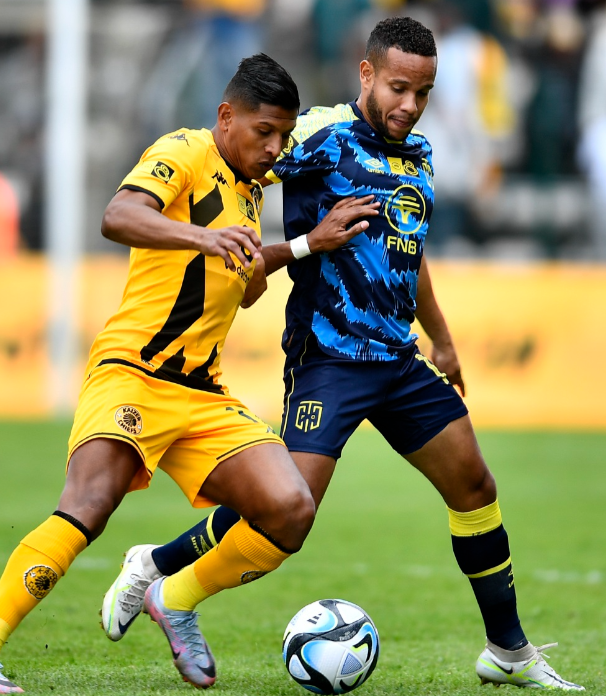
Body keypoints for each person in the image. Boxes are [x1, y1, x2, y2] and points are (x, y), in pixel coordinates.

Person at [100, 18, 584, 692]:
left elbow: (408, 255)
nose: (408, 105)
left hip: (397, 360)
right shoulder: (316, 135)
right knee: (285, 513)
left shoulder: (419, 155)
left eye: (422, 92)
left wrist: (439, 339)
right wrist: (242, 249)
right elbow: (240, 155)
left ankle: (507, 652)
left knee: (474, 486)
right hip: (326, 358)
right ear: (365, 75)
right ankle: (159, 569)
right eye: (396, 88)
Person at [0, 53, 380, 694]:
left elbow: (246, 284)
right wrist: (204, 238)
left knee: (290, 510)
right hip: (134, 372)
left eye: (284, 136)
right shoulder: (187, 151)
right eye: (264, 133)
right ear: (227, 116)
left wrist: (307, 244)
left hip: (202, 392)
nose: (276, 149)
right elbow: (118, 215)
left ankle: (172, 596)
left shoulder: (251, 189)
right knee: (90, 503)